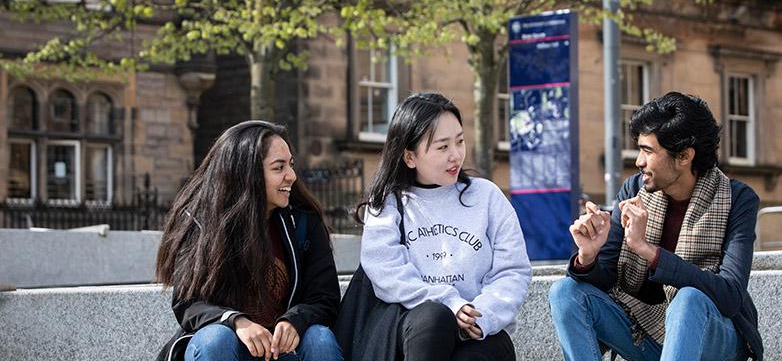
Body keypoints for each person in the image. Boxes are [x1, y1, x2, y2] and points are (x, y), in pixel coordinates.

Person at [548, 92, 763, 361]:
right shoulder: (634, 190)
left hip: (716, 339)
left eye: (648, 151)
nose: (639, 161)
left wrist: (649, 251)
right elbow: (606, 280)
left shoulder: (737, 199)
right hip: (645, 331)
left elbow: (730, 295)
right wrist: (589, 256)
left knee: (688, 300)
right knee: (566, 292)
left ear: (684, 156)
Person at [348, 92, 532, 361]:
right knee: (434, 319)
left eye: (459, 141)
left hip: (479, 332)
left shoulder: (487, 197)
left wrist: (480, 315)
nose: (455, 155)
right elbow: (386, 272)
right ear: (410, 157)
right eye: (442, 147)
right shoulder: (388, 203)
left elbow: (512, 271)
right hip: (413, 334)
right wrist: (449, 303)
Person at [155, 121, 343, 361]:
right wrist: (236, 322)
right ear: (247, 173)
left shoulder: (304, 223)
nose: (292, 176)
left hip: (282, 352)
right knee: (216, 340)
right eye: (279, 167)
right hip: (228, 348)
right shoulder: (202, 224)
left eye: (291, 165)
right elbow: (188, 303)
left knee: (319, 339)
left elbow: (325, 298)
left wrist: (295, 320)